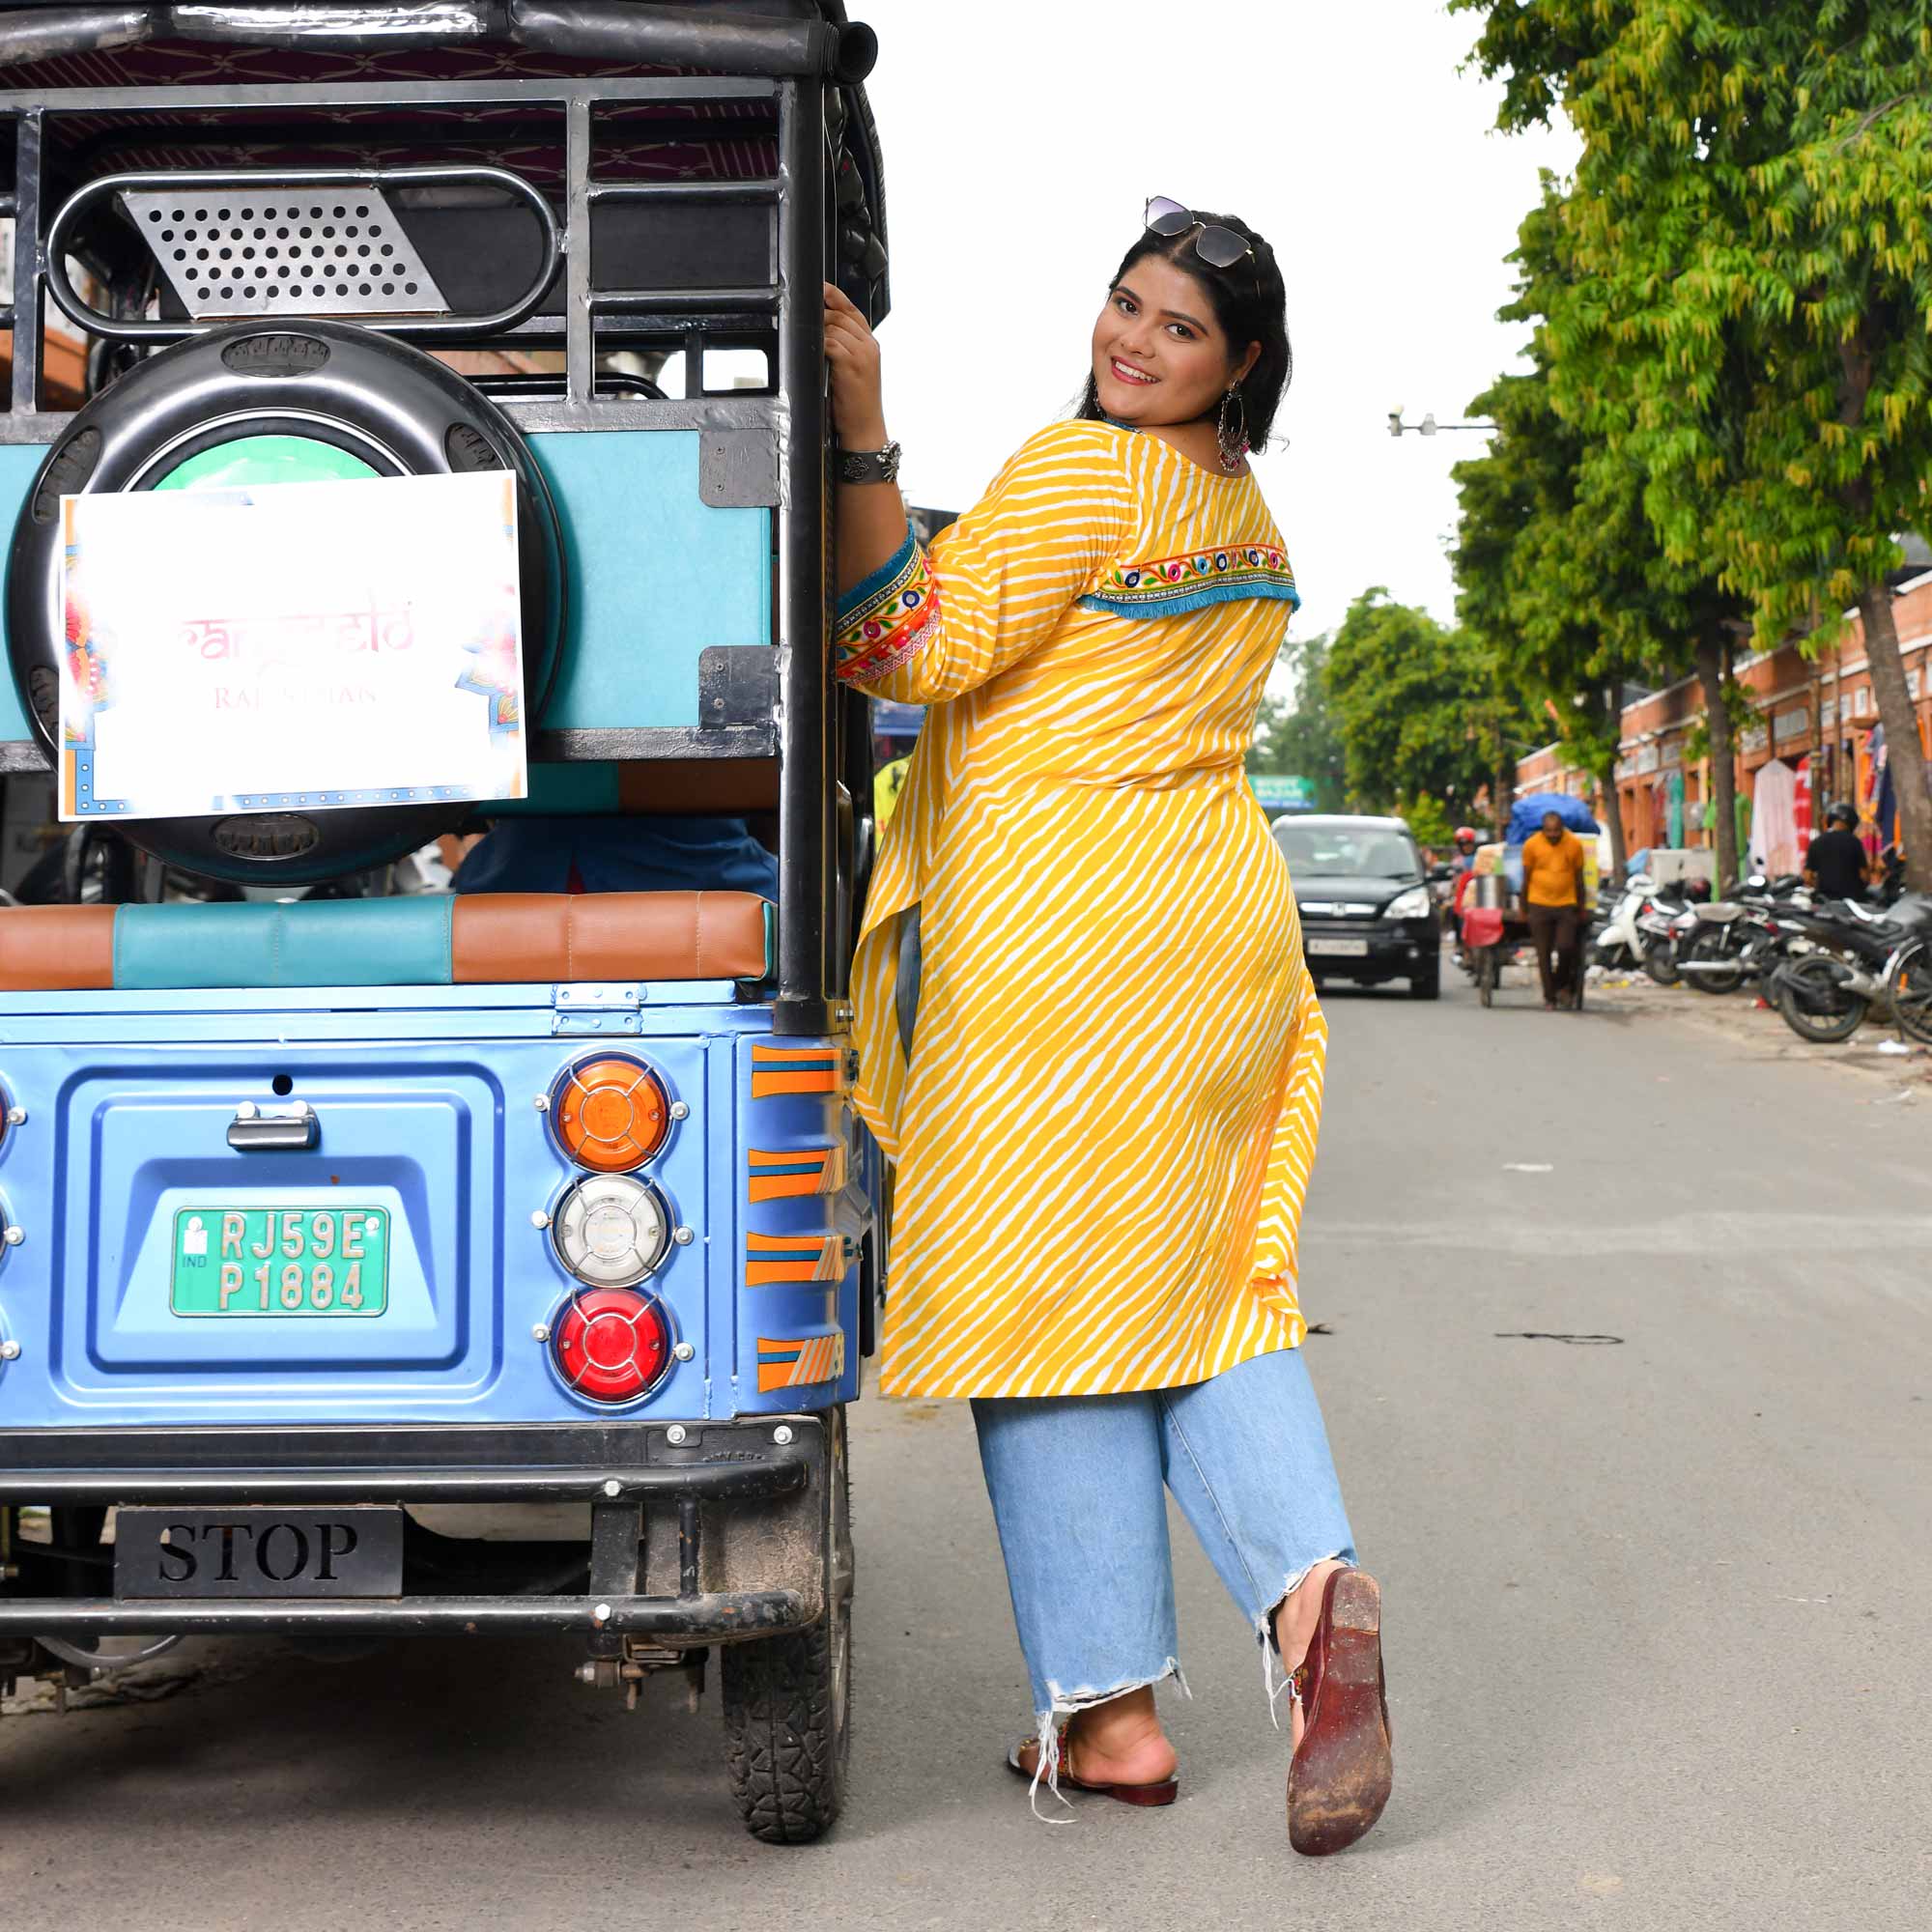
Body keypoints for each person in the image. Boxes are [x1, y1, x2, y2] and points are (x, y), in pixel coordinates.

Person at [820, 197, 1390, 1858]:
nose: (1130, 341)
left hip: (1059, 937)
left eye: (1176, 328)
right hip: (1213, 925)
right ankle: (1307, 1592)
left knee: (1037, 1302)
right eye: (1125, 305)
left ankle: (1117, 1715)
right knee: (1200, 1281)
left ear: (1243, 363)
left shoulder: (1082, 474)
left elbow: (902, 652)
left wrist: (863, 433)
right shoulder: (1245, 510)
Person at [1520, 808, 1588, 1009]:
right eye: (1548, 832)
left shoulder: (1574, 844)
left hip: (1566, 904)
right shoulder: (1531, 845)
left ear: (1562, 829)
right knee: (1543, 953)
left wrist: (1582, 907)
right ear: (1542, 830)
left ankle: (1560, 984)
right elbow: (1526, 877)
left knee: (1566, 947)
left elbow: (1579, 878)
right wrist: (1523, 908)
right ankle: (1549, 997)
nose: (1552, 836)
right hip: (1538, 904)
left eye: (1556, 831)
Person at [1803, 802, 1870, 901]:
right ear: (1851, 822)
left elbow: (1807, 877)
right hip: (1852, 902)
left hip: (1824, 902)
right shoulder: (1854, 842)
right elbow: (1865, 876)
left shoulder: (1816, 842)